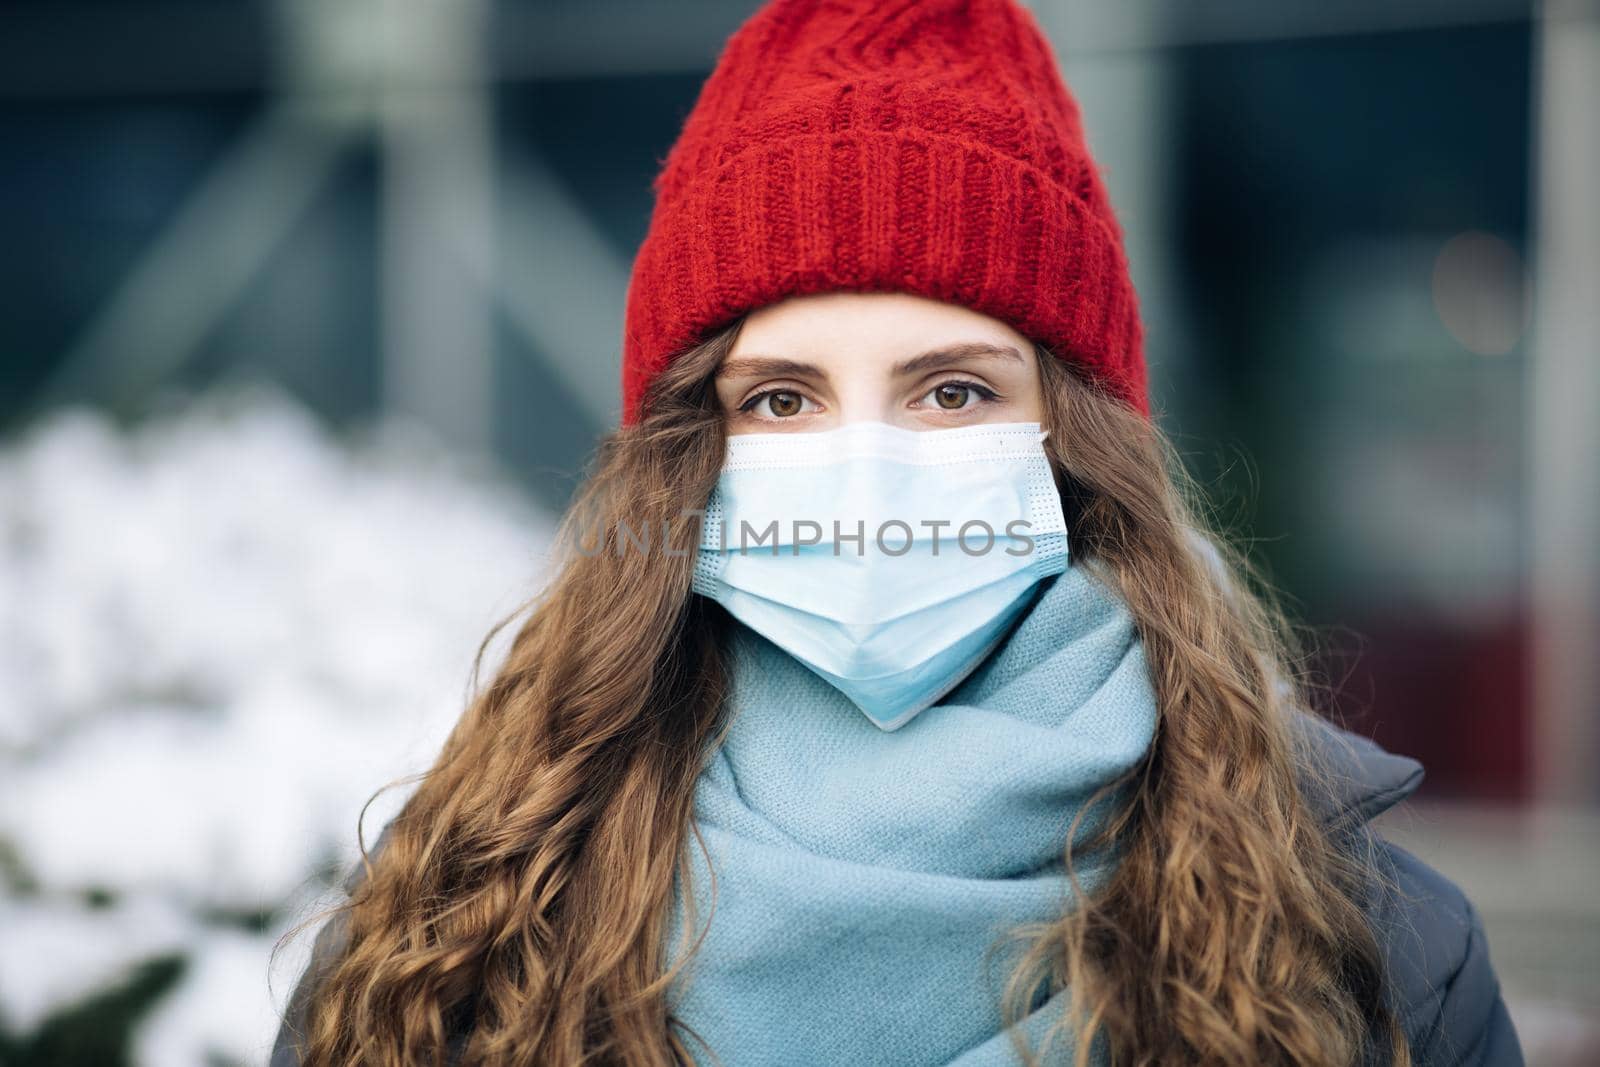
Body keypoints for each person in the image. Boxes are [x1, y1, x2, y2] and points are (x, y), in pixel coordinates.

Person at [270, 1, 1524, 1064]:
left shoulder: (1370, 955)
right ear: (682, 458)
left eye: (953, 390)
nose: (862, 471)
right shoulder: (456, 932)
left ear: (1073, 442)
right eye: (779, 397)